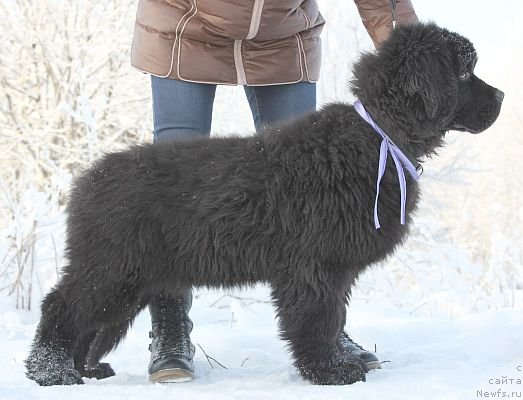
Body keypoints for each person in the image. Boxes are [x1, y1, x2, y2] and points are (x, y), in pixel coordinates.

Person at [130, 0, 418, 383]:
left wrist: (412, 55)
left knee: (312, 189)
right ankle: (170, 328)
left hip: (281, 36)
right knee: (172, 180)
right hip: (184, 26)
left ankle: (324, 332)